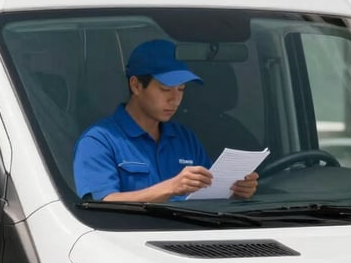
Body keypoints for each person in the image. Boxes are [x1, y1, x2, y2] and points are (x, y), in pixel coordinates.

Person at [73, 39, 259, 202]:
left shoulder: (185, 138)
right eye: (165, 89)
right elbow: (102, 203)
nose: (175, 99)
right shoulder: (99, 140)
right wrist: (170, 188)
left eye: (181, 89)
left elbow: (207, 194)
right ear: (136, 85)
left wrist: (235, 192)